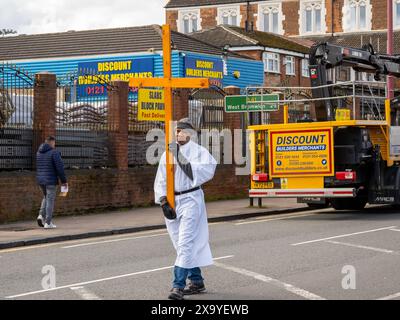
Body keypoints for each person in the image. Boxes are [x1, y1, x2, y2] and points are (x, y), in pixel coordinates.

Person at [154, 118, 217, 300]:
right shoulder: (168, 153)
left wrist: (179, 156)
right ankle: (197, 281)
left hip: (191, 198)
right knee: (178, 243)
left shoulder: (199, 152)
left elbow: (198, 174)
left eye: (181, 130)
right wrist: (163, 201)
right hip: (173, 200)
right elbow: (161, 179)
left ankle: (178, 287)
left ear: (190, 133)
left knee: (185, 242)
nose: (178, 133)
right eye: (176, 130)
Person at [36, 136, 67, 229]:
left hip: (41, 180)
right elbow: (60, 168)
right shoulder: (54, 152)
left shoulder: (38, 152)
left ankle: (41, 215)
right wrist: (64, 181)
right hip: (51, 180)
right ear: (52, 142)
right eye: (54, 143)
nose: (55, 144)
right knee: (50, 200)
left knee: (46, 197)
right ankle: (48, 222)